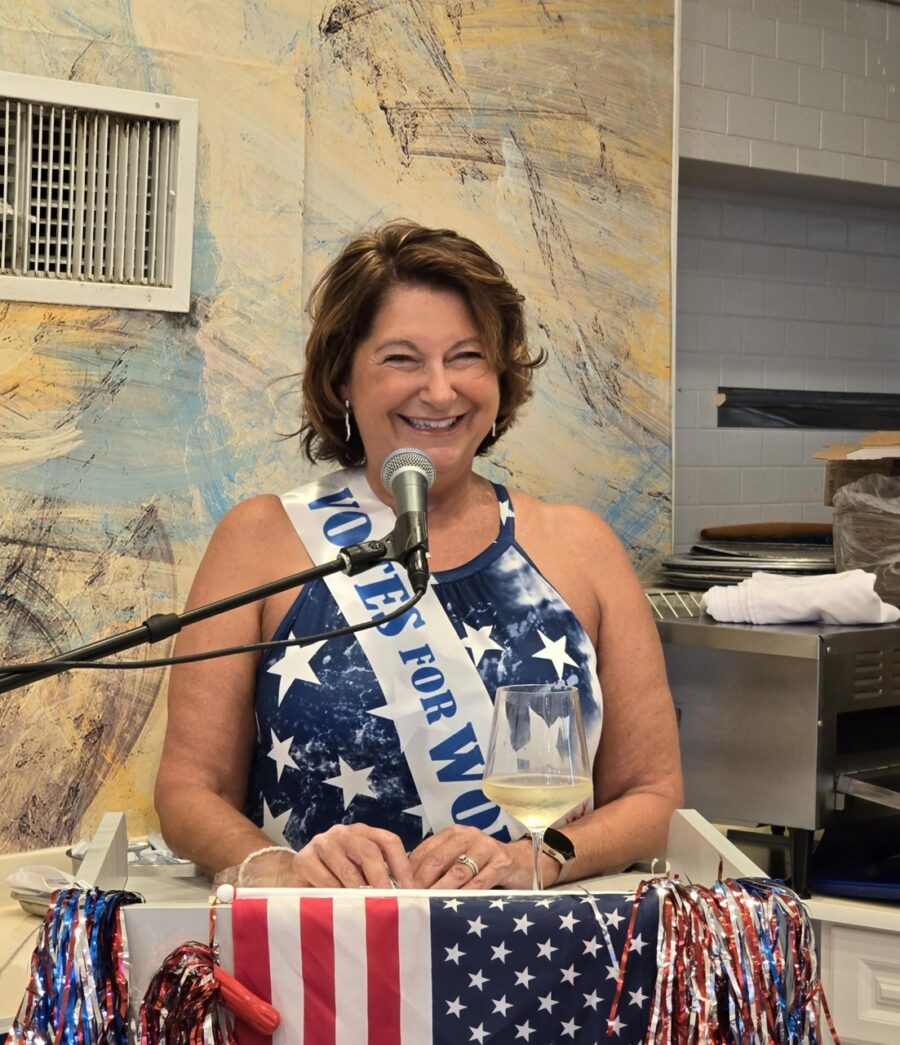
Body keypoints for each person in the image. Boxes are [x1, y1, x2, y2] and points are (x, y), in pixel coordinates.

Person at [154, 219, 682, 890]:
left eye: (466, 356)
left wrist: (546, 853)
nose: (439, 390)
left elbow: (655, 795)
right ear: (344, 377)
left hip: (537, 964)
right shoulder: (260, 540)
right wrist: (272, 865)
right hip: (322, 952)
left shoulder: (582, 546)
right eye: (402, 358)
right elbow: (188, 788)